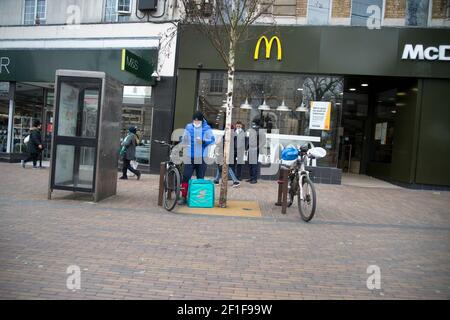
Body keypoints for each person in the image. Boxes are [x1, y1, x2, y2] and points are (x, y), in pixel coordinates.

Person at [179, 111, 215, 205]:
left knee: (200, 178)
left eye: (198, 121)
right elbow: (184, 138)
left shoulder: (207, 128)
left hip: (202, 157)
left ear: (202, 120)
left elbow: (212, 140)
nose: (196, 123)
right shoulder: (188, 127)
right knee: (186, 177)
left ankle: (199, 199)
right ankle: (183, 197)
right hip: (189, 156)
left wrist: (203, 141)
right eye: (194, 121)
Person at [247, 118, 266, 184]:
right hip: (250, 148)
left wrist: (258, 148)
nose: (252, 124)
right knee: (250, 164)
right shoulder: (252, 130)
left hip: (255, 148)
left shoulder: (260, 131)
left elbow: (263, 141)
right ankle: (251, 177)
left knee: (254, 164)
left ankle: (254, 179)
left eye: (253, 123)